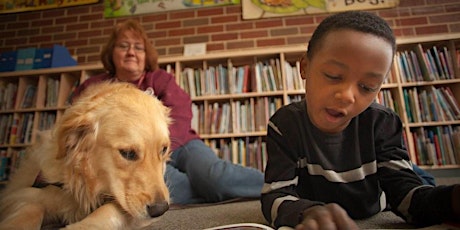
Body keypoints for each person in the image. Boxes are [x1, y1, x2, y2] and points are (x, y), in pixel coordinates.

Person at [260, 11, 460, 230]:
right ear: (305, 67)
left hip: (375, 201)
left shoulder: (382, 122)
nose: (347, 95)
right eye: (333, 75)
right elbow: (275, 195)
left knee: (421, 181)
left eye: (367, 87)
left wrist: (450, 200)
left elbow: (405, 197)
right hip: (320, 200)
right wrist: (307, 212)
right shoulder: (285, 124)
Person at [71, 19, 264, 205]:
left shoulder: (161, 79)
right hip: (134, 157)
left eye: (138, 47)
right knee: (170, 188)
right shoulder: (94, 87)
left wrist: (161, 151)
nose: (131, 52)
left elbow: (180, 113)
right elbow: (73, 126)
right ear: (111, 53)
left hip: (182, 144)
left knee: (214, 175)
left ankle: (280, 184)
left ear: (146, 56)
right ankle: (210, 191)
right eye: (123, 46)